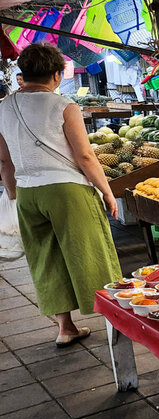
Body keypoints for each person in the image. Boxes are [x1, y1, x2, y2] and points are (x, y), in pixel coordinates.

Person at [0, 43, 121, 347]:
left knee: (45, 259)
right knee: (91, 254)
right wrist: (107, 191)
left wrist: (13, 195)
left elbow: (4, 161)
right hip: (67, 190)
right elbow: (85, 156)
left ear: (23, 74)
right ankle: (116, 321)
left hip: (28, 192)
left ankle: (65, 328)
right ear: (56, 74)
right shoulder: (63, 105)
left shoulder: (3, 107)